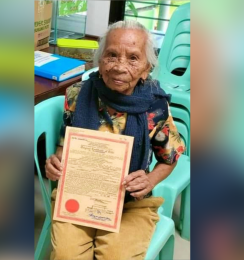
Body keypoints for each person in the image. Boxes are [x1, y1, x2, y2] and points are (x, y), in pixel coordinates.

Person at [45, 20, 185, 260]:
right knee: (66, 255)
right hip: (80, 193)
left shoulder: (155, 105)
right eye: (111, 55)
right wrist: (55, 163)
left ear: (146, 68)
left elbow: (169, 158)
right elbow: (64, 145)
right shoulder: (78, 94)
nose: (120, 67)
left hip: (130, 202)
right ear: (99, 62)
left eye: (132, 58)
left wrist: (150, 180)